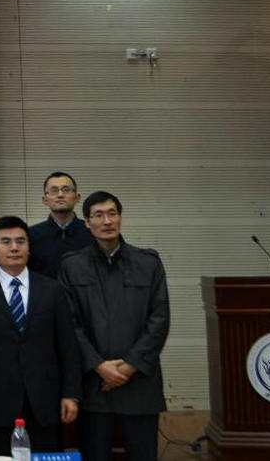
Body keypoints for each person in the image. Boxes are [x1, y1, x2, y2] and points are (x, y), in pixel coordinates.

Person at [58, 192, 169, 461]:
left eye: (112, 214)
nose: (107, 221)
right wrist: (100, 366)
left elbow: (159, 320)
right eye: (98, 215)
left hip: (139, 382)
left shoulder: (148, 263)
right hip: (94, 384)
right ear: (87, 222)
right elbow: (69, 324)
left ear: (120, 218)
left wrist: (128, 367)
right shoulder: (72, 266)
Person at [0, 216, 81, 456]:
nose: (14, 247)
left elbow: (67, 346)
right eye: (6, 242)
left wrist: (71, 393)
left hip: (46, 400)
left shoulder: (52, 289)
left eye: (20, 241)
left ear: (29, 247)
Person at [28, 172, 92, 277]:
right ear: (45, 200)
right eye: (54, 190)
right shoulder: (31, 235)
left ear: (77, 197)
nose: (60, 195)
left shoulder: (92, 232)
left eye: (66, 190)